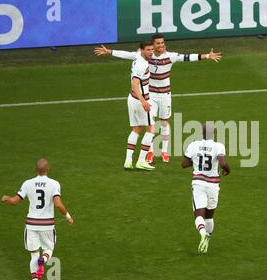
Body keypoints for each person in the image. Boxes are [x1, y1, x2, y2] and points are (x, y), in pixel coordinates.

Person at [94, 34, 222, 164]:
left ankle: (164, 151)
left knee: (164, 122)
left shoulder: (171, 56)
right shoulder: (146, 55)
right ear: (153, 45)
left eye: (162, 43)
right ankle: (150, 151)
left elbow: (188, 57)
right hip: (151, 95)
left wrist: (207, 56)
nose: (161, 45)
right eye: (158, 43)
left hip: (166, 94)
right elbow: (128, 54)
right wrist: (109, 51)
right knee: (152, 124)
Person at [1, 158, 74, 280]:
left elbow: (14, 202)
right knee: (49, 249)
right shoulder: (54, 184)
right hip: (47, 225)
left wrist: (6, 198)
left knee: (34, 255)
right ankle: (44, 260)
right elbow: (58, 204)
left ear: (35, 170)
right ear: (48, 169)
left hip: (31, 225)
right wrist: (68, 216)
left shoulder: (27, 183)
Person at [182, 123, 230, 254]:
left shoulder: (193, 145)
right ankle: (207, 241)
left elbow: (184, 164)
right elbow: (223, 163)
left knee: (198, 214)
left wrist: (195, 162)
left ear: (201, 133)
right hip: (213, 185)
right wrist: (228, 171)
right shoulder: (218, 146)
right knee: (209, 217)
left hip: (198, 183)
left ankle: (203, 234)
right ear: (212, 133)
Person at [124, 40, 156, 171]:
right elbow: (135, 83)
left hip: (132, 98)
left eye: (152, 50)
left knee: (136, 129)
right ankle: (141, 161)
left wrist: (109, 52)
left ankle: (128, 161)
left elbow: (125, 54)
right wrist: (143, 101)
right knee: (151, 130)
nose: (151, 52)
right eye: (148, 50)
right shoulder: (142, 65)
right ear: (142, 50)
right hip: (140, 100)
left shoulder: (137, 56)